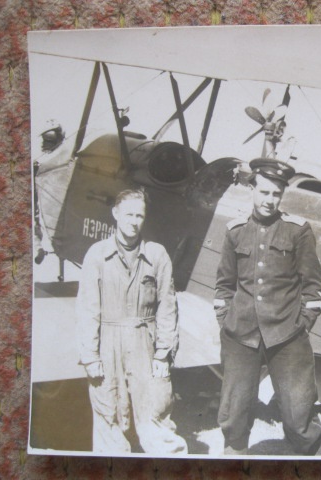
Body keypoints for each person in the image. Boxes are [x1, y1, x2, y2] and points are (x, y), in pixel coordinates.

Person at [214, 158, 321, 456]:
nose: (270, 200)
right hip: (241, 335)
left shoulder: (297, 231)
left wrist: (301, 324)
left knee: (299, 413)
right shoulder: (235, 231)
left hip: (287, 335)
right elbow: (224, 285)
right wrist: (226, 320)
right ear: (252, 189)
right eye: (264, 192)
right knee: (234, 412)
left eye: (276, 194)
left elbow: (314, 287)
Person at [77, 188, 187, 454]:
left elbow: (167, 307)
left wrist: (163, 354)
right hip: (108, 343)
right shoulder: (97, 254)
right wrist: (90, 357)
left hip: (144, 344)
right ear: (115, 214)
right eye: (129, 214)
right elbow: (87, 309)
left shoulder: (157, 255)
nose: (134, 221)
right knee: (109, 416)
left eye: (139, 215)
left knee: (156, 414)